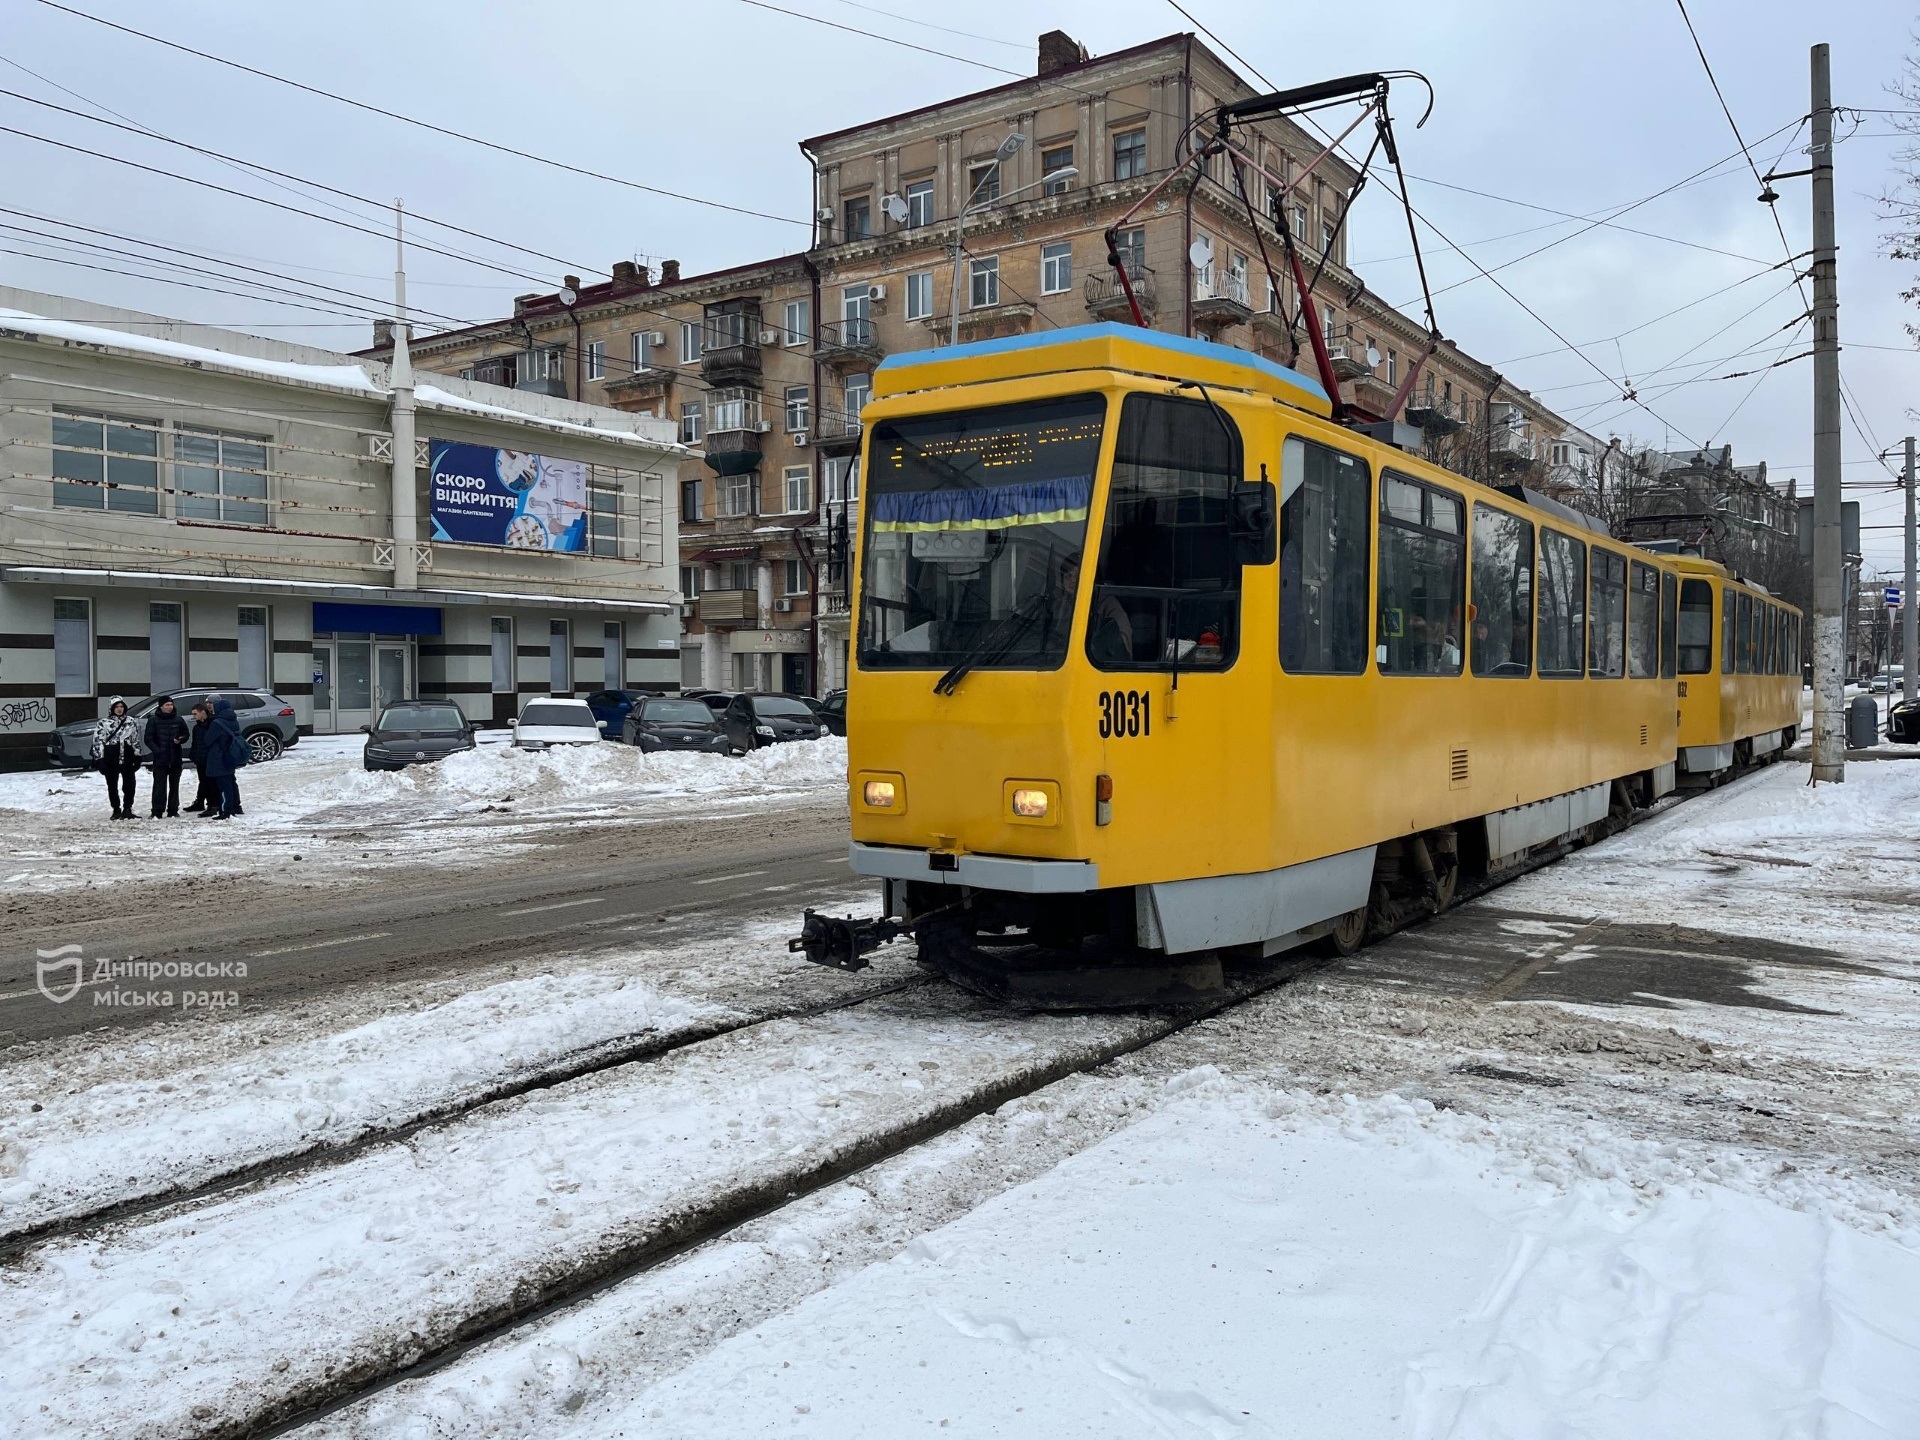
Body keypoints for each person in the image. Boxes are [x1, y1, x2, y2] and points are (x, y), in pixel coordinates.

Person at [91, 696, 143, 820]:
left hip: (127, 756)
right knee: (112, 785)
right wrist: (99, 759)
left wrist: (138, 755)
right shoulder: (103, 723)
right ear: (111, 708)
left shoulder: (130, 721)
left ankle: (127, 808)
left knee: (130, 784)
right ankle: (116, 809)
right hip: (111, 757)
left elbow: (135, 739)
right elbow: (98, 741)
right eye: (116, 707)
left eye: (121, 707)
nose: (119, 709)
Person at [200, 697, 247, 821]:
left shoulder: (217, 723)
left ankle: (226, 811)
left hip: (218, 757)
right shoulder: (233, 720)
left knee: (223, 786)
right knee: (230, 783)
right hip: (230, 755)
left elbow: (208, 740)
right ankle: (235, 807)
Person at [143, 695, 188, 818]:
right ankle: (157, 810)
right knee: (159, 785)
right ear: (161, 706)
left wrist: (181, 739)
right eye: (167, 705)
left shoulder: (178, 719)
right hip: (161, 758)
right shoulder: (153, 720)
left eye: (171, 704)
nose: (169, 707)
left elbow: (185, 733)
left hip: (175, 757)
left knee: (174, 785)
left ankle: (173, 809)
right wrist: (158, 750)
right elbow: (148, 739)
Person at [184, 702, 216, 813]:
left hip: (210, 758)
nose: (193, 716)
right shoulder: (197, 727)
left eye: (195, 714)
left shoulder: (212, 724)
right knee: (203, 781)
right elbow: (196, 743)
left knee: (210, 782)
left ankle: (212, 805)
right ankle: (200, 802)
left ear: (202, 712)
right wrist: (193, 755)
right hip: (200, 758)